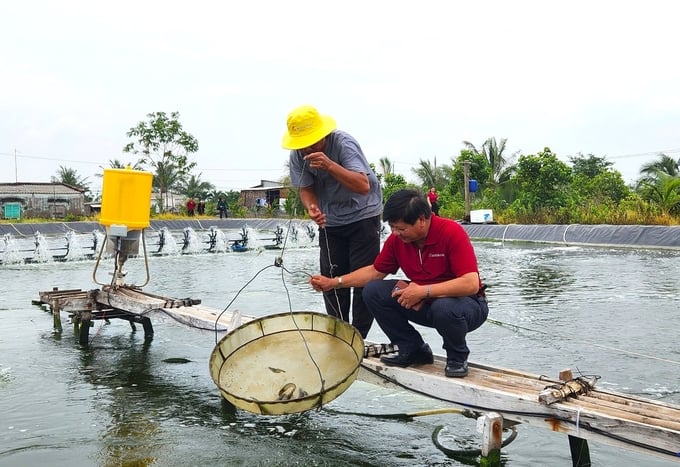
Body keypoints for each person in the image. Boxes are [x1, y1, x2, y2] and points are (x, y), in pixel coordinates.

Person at [310, 189, 488, 378]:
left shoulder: (451, 232)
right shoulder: (397, 241)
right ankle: (412, 348)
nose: (395, 233)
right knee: (373, 291)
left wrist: (424, 291)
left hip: (465, 306)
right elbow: (375, 272)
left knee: (444, 307)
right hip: (424, 302)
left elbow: (470, 284)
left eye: (401, 228)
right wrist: (334, 282)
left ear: (421, 220)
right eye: (392, 227)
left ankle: (457, 357)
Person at [283, 105, 383, 338]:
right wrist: (312, 208)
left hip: (363, 216)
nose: (308, 148)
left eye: (314, 143)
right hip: (330, 222)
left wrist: (329, 165)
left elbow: (363, 186)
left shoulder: (344, 144)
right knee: (329, 278)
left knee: (362, 281)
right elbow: (306, 189)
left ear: (324, 135)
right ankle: (339, 335)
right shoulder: (298, 154)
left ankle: (358, 337)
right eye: (303, 144)